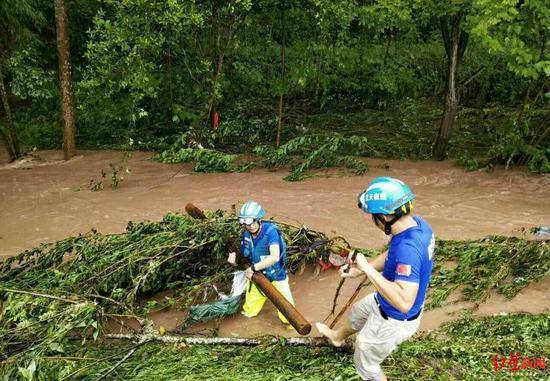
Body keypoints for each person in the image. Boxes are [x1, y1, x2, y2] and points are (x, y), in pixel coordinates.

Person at [316, 177, 435, 381]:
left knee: (366, 363)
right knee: (357, 314)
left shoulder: (408, 249)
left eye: (373, 216)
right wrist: (359, 270)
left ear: (385, 217)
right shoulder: (417, 226)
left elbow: (404, 302)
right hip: (384, 303)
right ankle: (336, 338)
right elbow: (391, 255)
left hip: (395, 318)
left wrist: (366, 268)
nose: (373, 221)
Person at [227, 200, 295, 327]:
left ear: (259, 219)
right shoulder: (246, 235)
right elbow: (245, 259)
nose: (250, 225)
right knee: (248, 313)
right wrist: (234, 261)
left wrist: (253, 268)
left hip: (276, 278)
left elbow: (274, 257)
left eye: (253, 221)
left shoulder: (271, 232)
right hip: (257, 278)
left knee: (290, 318)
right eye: (246, 222)